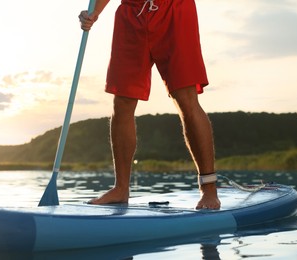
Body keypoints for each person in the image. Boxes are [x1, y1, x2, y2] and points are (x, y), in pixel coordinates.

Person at [79, 0, 220, 209]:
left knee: (185, 99)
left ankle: (209, 191)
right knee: (122, 102)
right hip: (131, 14)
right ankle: (121, 189)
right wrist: (94, 12)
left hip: (174, 10)